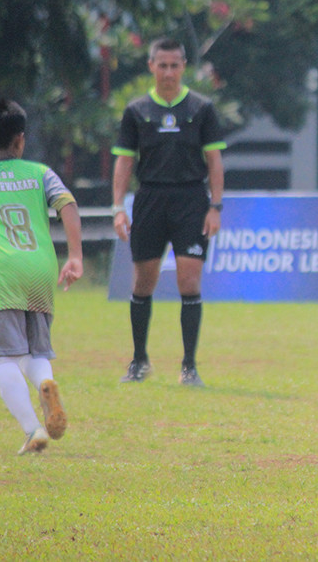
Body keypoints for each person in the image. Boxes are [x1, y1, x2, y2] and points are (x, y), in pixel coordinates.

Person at [112, 37, 226, 387]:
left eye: (174, 65)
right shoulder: (136, 111)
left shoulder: (201, 108)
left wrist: (215, 206)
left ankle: (189, 366)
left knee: (188, 281)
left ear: (183, 67)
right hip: (150, 199)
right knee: (143, 282)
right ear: (151, 66)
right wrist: (118, 207)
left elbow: (214, 161)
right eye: (162, 65)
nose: (168, 72)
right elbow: (124, 162)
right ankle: (139, 361)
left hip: (191, 200)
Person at [0, 98, 83, 455]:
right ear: (20, 139)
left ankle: (32, 429)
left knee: (2, 358)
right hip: (39, 271)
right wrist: (75, 256)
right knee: (35, 350)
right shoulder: (40, 173)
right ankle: (46, 382)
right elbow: (68, 205)